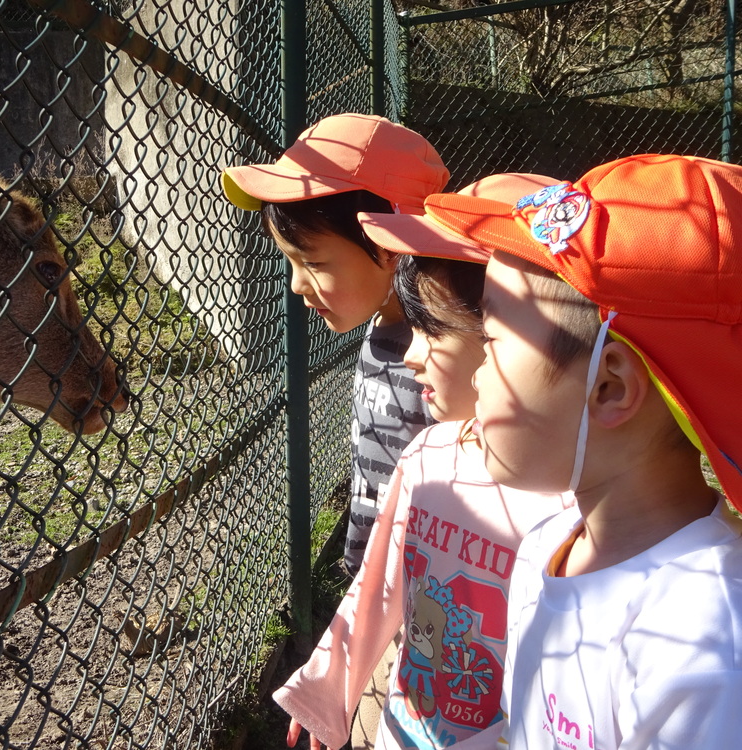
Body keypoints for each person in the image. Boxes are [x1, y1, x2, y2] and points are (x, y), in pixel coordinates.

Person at [414, 153, 742, 748]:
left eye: (490, 342)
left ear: (608, 386)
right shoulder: (547, 541)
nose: (480, 377)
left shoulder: (709, 639)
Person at [273, 173, 572, 750]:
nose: (409, 355)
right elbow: (378, 586)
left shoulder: (571, 505)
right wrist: (328, 686)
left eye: (430, 329)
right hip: (403, 729)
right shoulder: (427, 457)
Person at [222, 115, 448, 746]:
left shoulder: (450, 360)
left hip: (434, 604)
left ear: (389, 244)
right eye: (290, 262)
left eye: (312, 262)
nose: (297, 286)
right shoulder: (382, 327)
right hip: (378, 597)